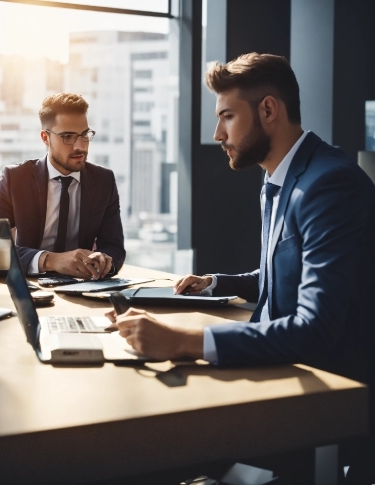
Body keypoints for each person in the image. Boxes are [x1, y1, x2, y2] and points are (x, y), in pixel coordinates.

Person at [107, 54, 375, 472]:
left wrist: (182, 341)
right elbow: (283, 273)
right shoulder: (279, 176)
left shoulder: (328, 184)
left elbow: (317, 327)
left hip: (316, 384)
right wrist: (215, 282)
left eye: (227, 116)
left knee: (141, 444)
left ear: (268, 110)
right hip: (274, 361)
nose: (217, 133)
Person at [0, 93, 125, 279]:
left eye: (84, 135)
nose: (80, 146)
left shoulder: (103, 181)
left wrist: (105, 260)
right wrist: (51, 260)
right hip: (30, 286)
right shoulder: (16, 179)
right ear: (45, 137)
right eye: (68, 136)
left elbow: (114, 247)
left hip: (84, 286)